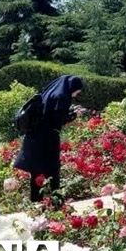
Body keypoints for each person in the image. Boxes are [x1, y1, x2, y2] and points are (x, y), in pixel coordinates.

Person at [14, 75, 83, 203]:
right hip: (47, 139)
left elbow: (49, 115)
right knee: (53, 171)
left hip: (34, 137)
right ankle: (57, 202)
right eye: (78, 90)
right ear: (72, 87)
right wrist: (73, 115)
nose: (78, 93)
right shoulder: (62, 97)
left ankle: (36, 202)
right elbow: (57, 120)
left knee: (36, 171)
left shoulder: (50, 92)